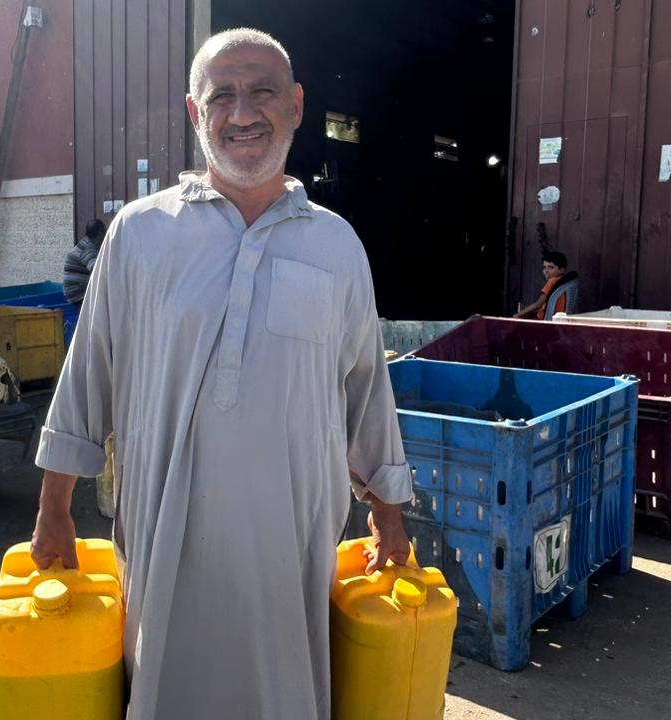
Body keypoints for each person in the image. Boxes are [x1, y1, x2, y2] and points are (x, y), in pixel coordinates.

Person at [30, 28, 412, 720]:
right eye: (222, 96)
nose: (242, 113)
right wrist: (52, 509)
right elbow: (91, 372)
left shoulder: (337, 245)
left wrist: (388, 513)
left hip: (290, 543)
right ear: (193, 112)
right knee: (165, 683)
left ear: (295, 106)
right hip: (165, 534)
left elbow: (365, 389)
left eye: (262, 92)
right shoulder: (140, 234)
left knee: (286, 693)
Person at [514, 250, 577, 320]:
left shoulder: (552, 281)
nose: (546, 271)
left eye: (550, 267)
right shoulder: (564, 282)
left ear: (561, 270)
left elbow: (538, 304)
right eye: (544, 267)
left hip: (542, 321)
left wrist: (517, 315)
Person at [62, 218, 105, 305]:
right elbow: (97, 270)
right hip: (78, 294)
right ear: (100, 234)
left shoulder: (85, 243)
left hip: (73, 291)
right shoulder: (88, 249)